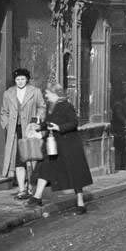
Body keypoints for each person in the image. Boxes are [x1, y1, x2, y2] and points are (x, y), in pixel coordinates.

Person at [26, 82, 93, 214]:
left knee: (74, 174)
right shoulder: (52, 106)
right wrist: (39, 127)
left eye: (48, 93)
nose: (46, 95)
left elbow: (74, 123)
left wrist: (59, 128)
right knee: (45, 167)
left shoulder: (67, 106)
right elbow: (49, 122)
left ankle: (80, 203)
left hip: (69, 146)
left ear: (55, 94)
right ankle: (37, 197)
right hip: (54, 145)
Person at [0, 67, 47, 199]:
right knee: (18, 161)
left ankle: (31, 186)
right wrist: (8, 125)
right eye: (17, 79)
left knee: (31, 159)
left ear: (27, 79)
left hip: (30, 130)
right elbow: (3, 112)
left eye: (22, 79)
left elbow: (42, 107)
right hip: (15, 131)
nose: (20, 81)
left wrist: (36, 121)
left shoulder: (35, 92)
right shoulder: (8, 93)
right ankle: (21, 189)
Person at [109, 92, 126, 171]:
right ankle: (119, 167)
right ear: (125, 98)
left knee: (121, 149)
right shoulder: (118, 105)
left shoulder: (120, 105)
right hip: (118, 131)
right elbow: (119, 116)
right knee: (120, 149)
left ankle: (122, 166)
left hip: (119, 130)